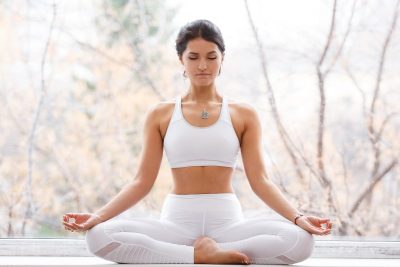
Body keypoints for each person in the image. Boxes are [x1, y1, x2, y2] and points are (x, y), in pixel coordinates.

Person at [62, 19, 332, 265]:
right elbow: (141, 182)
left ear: (222, 58)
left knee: (301, 241)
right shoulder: (161, 114)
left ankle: (199, 254)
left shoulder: (244, 114)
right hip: (176, 223)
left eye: (211, 57)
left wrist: (298, 218)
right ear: (181, 59)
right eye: (193, 57)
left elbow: (260, 180)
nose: (202, 65)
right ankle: (199, 255)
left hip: (228, 224)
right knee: (98, 236)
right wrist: (98, 216)